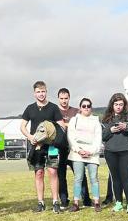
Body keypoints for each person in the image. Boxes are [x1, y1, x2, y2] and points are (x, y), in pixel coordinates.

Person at [20, 81, 65, 213]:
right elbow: (22, 126)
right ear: (34, 93)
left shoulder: (53, 108)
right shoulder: (30, 108)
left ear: (46, 92)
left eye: (43, 91)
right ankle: (41, 203)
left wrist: (50, 134)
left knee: (52, 172)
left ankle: (55, 202)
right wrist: (31, 137)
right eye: (38, 92)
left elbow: (61, 126)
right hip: (37, 146)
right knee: (39, 173)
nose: (41, 94)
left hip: (51, 146)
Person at [102, 93, 128, 214]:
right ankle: (118, 202)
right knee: (115, 178)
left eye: (121, 104)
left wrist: (126, 127)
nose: (118, 107)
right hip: (110, 152)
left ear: (124, 105)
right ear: (112, 105)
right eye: (116, 104)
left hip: (127, 151)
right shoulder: (106, 118)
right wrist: (110, 130)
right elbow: (103, 136)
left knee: (126, 178)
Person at [56, 88, 90, 208]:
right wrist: (70, 125)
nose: (64, 101)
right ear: (58, 99)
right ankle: (64, 201)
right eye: (61, 98)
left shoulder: (76, 111)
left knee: (80, 174)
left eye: (66, 98)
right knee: (61, 175)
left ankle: (86, 200)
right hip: (60, 147)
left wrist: (64, 125)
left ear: (69, 98)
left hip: (74, 148)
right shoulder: (54, 111)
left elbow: (82, 125)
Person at [67, 98, 102, 212]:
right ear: (80, 107)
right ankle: (76, 202)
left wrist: (90, 152)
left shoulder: (96, 121)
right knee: (78, 178)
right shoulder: (74, 120)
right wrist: (78, 150)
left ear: (91, 107)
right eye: (84, 106)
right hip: (78, 153)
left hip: (92, 152)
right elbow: (70, 137)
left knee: (94, 178)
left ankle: (96, 202)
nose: (86, 108)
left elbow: (98, 139)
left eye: (88, 106)